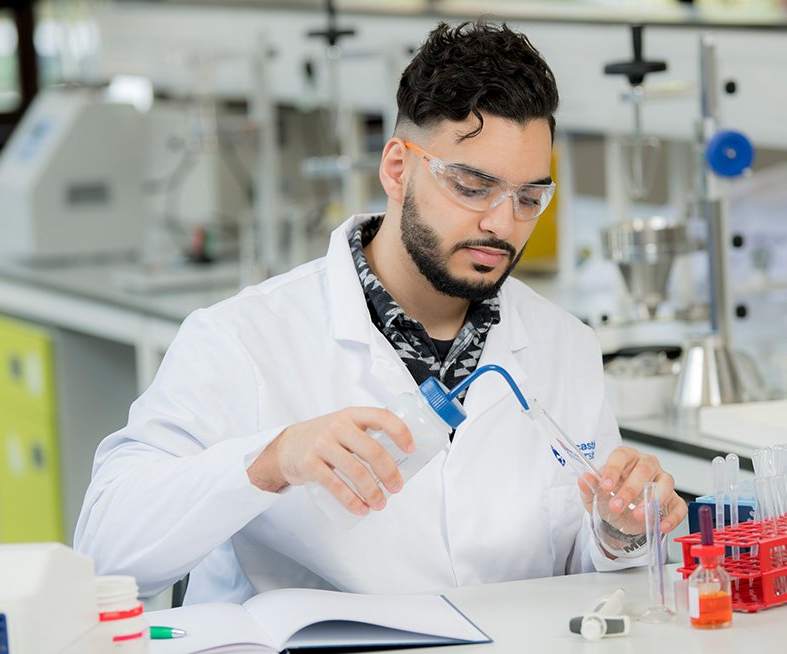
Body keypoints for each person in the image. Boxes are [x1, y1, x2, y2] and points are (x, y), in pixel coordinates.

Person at [74, 20, 687, 604]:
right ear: (398, 168)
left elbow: (585, 571)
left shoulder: (564, 347)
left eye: (529, 197)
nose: (502, 223)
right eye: (472, 187)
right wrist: (272, 460)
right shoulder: (243, 339)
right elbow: (106, 551)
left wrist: (619, 530)